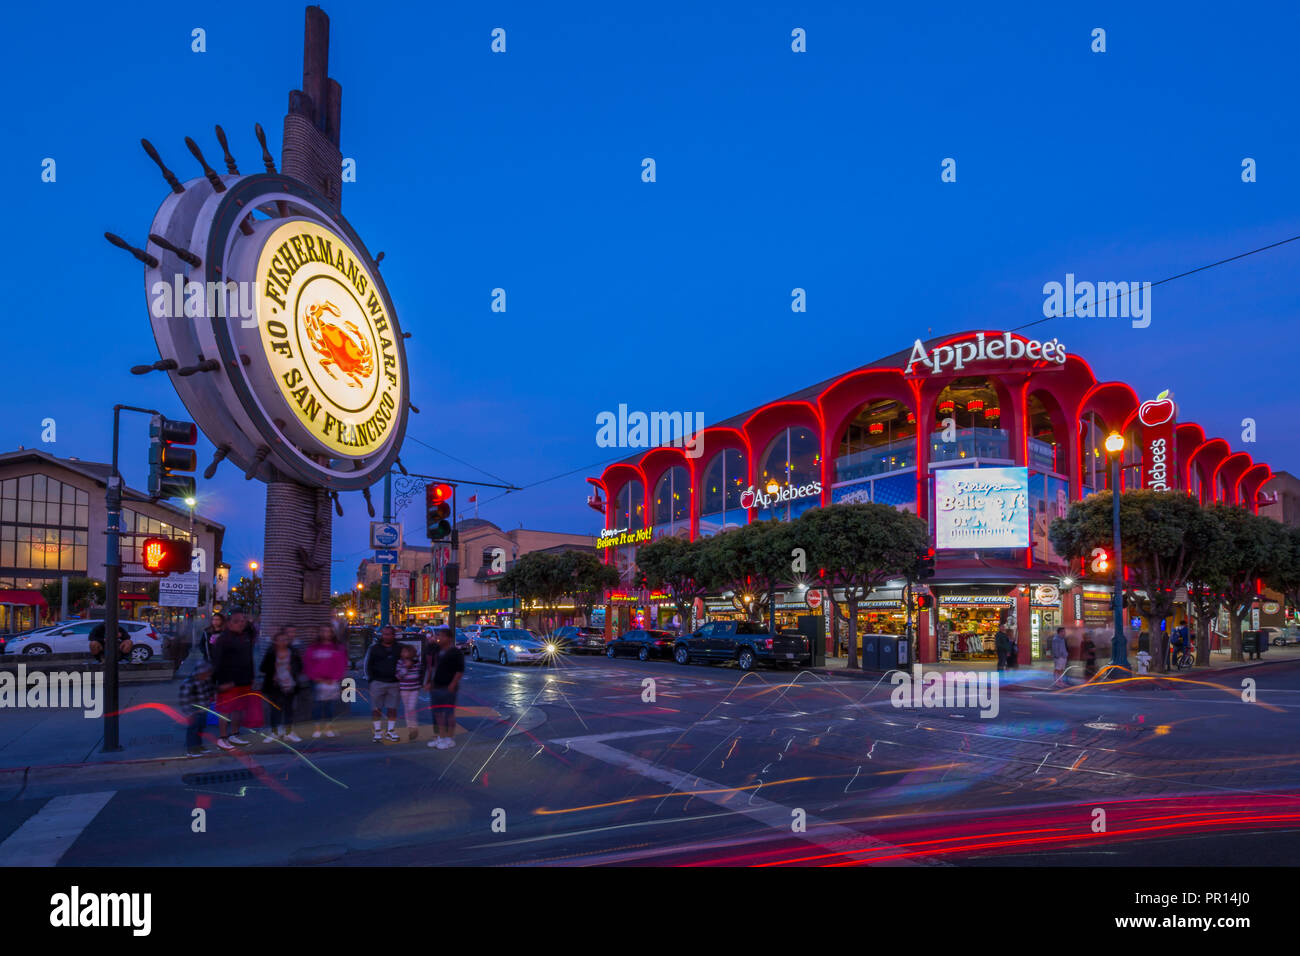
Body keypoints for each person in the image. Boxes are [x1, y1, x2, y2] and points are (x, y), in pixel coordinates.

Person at [210, 611, 260, 750]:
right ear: (229, 624)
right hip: (228, 682)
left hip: (244, 681)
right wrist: (219, 683)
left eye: (243, 621)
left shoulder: (245, 636)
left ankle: (234, 734)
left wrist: (252, 678)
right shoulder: (223, 639)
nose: (241, 623)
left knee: (239, 709)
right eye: (237, 621)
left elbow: (249, 658)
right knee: (225, 710)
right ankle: (222, 738)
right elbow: (217, 663)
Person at [260, 625, 304, 743]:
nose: (284, 642)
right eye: (281, 640)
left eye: (285, 640)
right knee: (275, 709)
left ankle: (288, 732)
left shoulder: (293, 651)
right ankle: (274, 732)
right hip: (275, 684)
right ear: (276, 641)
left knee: (289, 708)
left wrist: (292, 668)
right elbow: (263, 667)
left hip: (290, 683)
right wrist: (273, 670)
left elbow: (300, 666)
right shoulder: (271, 652)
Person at [424, 626, 464, 749]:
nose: (439, 638)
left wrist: (453, 684)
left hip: (448, 687)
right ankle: (441, 737)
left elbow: (459, 670)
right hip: (436, 685)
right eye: (438, 636)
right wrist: (429, 682)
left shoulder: (455, 652)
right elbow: (430, 662)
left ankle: (449, 738)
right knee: (438, 713)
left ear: (449, 638)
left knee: (448, 714)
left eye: (441, 636)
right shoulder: (437, 650)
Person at [304, 623, 347, 738]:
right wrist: (315, 678)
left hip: (332, 682)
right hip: (316, 681)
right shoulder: (313, 647)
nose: (326, 634)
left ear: (332, 633)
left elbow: (342, 665)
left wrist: (335, 678)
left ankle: (328, 728)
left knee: (330, 706)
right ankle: (317, 729)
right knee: (317, 705)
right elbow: (308, 664)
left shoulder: (338, 648)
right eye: (323, 631)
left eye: (328, 631)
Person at [364, 625, 402, 742]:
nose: (386, 636)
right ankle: (377, 731)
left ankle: (390, 731)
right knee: (376, 708)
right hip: (377, 682)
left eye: (388, 634)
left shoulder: (400, 648)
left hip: (394, 683)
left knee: (392, 708)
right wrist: (371, 679)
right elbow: (368, 664)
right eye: (384, 634)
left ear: (393, 635)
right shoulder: (374, 648)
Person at [178, 661, 215, 756]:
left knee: (200, 729)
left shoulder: (205, 680)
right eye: (207, 673)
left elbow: (209, 692)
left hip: (204, 709)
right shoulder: (188, 683)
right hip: (193, 712)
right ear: (200, 672)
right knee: (193, 729)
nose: (208, 675)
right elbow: (184, 700)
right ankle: (191, 749)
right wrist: (189, 714)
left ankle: (198, 746)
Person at [396, 643, 422, 741]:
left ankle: (414, 727)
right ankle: (410, 729)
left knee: (411, 708)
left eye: (406, 651)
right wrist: (406, 668)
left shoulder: (417, 662)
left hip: (414, 689)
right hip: (404, 689)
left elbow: (419, 674)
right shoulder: (400, 662)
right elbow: (398, 676)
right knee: (407, 708)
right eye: (403, 652)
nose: (403, 653)